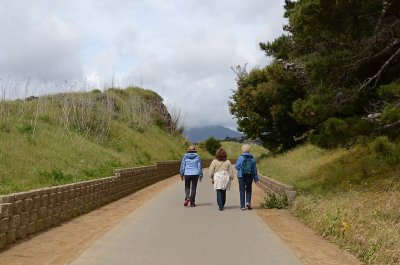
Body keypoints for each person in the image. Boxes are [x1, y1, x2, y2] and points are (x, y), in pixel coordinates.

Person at [235, 144, 259, 210]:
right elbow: (254, 169)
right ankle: (248, 202)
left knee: (242, 190)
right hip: (250, 175)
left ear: (243, 149)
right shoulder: (252, 158)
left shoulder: (240, 157)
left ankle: (242, 206)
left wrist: (241, 169)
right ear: (249, 150)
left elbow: (236, 166)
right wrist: (256, 178)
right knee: (249, 189)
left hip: (241, 175)